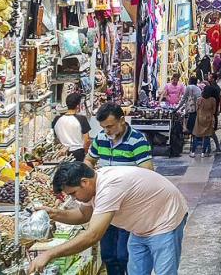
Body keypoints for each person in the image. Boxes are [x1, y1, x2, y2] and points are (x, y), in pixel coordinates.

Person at [27, 163, 188, 275]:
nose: (74, 199)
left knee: (165, 271)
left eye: (73, 193)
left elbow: (93, 235)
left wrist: (49, 254)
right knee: (136, 271)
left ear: (84, 182)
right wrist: (54, 214)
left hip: (165, 220)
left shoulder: (109, 187)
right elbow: (84, 214)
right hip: (141, 227)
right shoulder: (93, 186)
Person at [86, 103, 155, 275]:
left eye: (110, 126)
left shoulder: (137, 140)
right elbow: (89, 160)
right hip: (106, 204)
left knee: (124, 254)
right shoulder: (101, 138)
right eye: (103, 127)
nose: (107, 131)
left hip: (128, 206)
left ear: (122, 120)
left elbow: (148, 172)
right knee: (108, 254)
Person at [52, 93, 91, 162]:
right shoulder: (82, 119)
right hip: (78, 153)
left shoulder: (57, 119)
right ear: (78, 106)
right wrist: (85, 153)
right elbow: (87, 140)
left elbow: (55, 138)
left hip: (61, 153)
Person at [191, 85, 219, 158]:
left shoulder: (199, 99)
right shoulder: (213, 100)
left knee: (196, 135)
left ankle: (193, 152)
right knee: (206, 136)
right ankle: (203, 153)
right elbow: (214, 111)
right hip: (209, 118)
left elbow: (196, 109)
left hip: (199, 118)